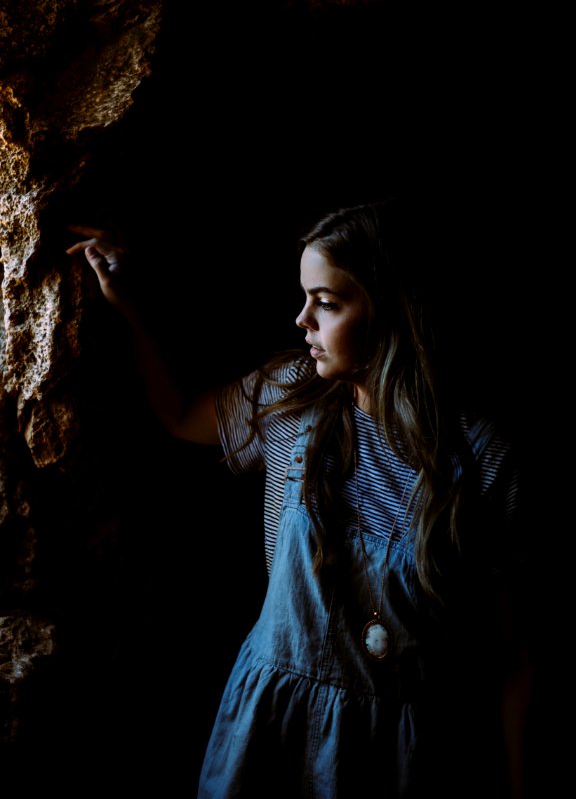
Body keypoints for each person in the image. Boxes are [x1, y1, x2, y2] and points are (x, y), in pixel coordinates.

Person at [66, 198, 533, 799]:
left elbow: (516, 657)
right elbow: (182, 416)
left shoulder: (482, 457)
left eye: (328, 303)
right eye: (305, 296)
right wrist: (129, 306)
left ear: (393, 313)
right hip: (270, 729)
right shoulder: (290, 397)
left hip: (397, 754)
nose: (301, 320)